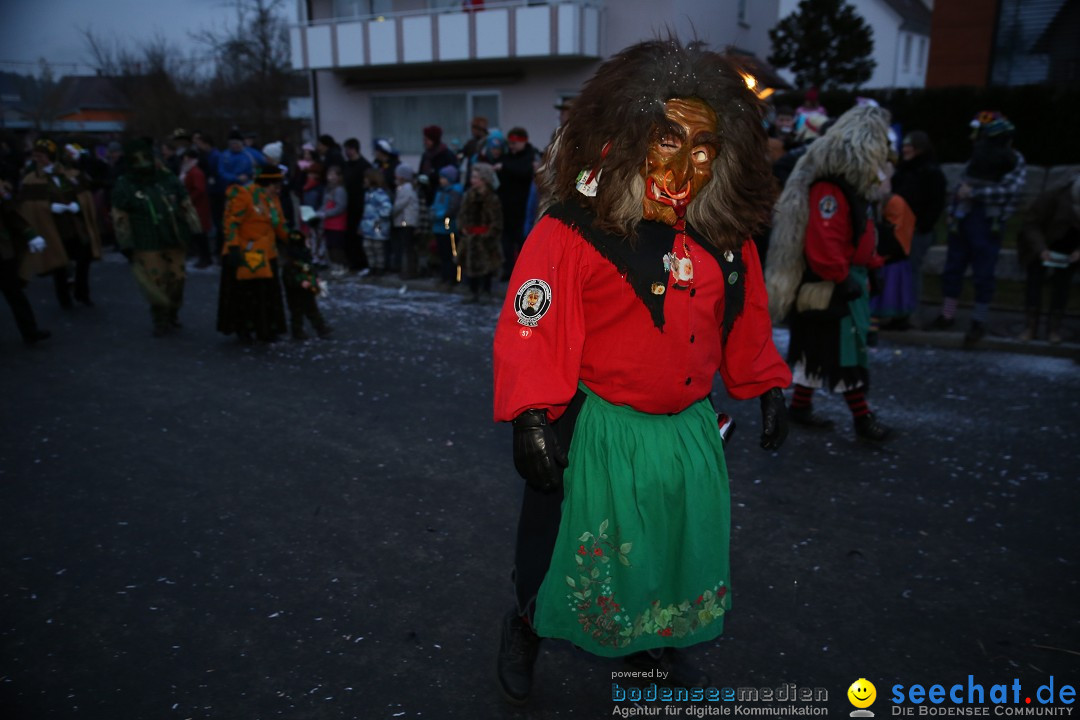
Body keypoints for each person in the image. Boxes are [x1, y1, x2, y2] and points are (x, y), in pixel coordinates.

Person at [492, 39, 790, 704]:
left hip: (685, 433)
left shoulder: (726, 236)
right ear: (628, 139)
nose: (687, 164)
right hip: (597, 429)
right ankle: (525, 627)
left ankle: (651, 648)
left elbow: (746, 318)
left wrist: (767, 386)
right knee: (560, 552)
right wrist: (531, 416)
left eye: (704, 144)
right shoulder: (573, 228)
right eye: (667, 139)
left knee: (667, 550)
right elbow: (529, 323)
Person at [766, 104, 893, 441]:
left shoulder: (845, 188)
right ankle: (863, 419)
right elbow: (824, 242)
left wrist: (873, 265)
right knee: (843, 352)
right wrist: (842, 277)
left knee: (815, 350)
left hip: (841, 280)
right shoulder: (830, 190)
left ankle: (801, 406)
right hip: (830, 284)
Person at [930, 111, 1026, 347]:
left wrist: (974, 193)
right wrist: (953, 214)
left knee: (984, 273)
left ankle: (978, 321)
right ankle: (948, 315)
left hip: (988, 223)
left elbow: (1010, 190)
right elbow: (961, 184)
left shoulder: (1013, 159)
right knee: (953, 268)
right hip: (964, 219)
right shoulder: (976, 158)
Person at [111, 139, 202, 337]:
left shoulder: (167, 179)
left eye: (147, 158)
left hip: (173, 238)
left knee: (177, 279)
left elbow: (185, 203)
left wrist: (195, 229)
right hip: (146, 241)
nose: (143, 163)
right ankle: (160, 319)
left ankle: (173, 312)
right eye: (138, 160)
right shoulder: (125, 184)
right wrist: (126, 243)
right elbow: (120, 216)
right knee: (156, 281)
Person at [18, 138, 102, 309]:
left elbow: (85, 193)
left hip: (75, 225)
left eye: (41, 156)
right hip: (53, 228)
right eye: (35, 156)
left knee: (83, 258)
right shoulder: (31, 179)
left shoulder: (69, 174)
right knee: (59, 264)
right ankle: (64, 299)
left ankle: (82, 293)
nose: (38, 159)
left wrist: (78, 205)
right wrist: (49, 207)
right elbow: (27, 206)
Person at [216, 166, 288, 343]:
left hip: (267, 252)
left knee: (267, 294)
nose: (278, 190)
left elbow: (279, 223)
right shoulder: (244, 194)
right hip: (245, 252)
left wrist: (293, 239)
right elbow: (231, 223)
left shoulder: (273, 199)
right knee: (247, 294)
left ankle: (267, 329)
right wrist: (233, 248)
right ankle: (245, 328)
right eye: (275, 186)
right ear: (265, 183)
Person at [1018, 173, 1080, 344]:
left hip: (1070, 248)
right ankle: (1031, 326)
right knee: (1034, 282)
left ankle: (1054, 328)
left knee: (1062, 286)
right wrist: (1041, 248)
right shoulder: (1052, 196)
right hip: (1043, 243)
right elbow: (1031, 223)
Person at [891, 130, 946, 323]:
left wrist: (922, 226)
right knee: (897, 271)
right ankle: (896, 311)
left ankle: (910, 313)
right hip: (898, 228)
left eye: (909, 145)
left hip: (916, 230)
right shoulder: (903, 170)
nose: (905, 149)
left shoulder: (931, 172)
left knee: (912, 271)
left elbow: (936, 203)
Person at [868, 160, 918, 340]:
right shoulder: (882, 202)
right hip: (887, 254)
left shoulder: (893, 202)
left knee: (880, 296)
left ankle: (875, 330)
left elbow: (897, 233)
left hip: (890, 256)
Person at [0, 179, 50, 345]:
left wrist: (30, 234)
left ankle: (30, 331)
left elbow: (11, 214)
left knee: (15, 293)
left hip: (3, 250)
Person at [495, 127, 538, 281]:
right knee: (506, 242)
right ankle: (508, 271)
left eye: (515, 143)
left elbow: (524, 172)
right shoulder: (506, 157)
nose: (512, 146)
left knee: (522, 241)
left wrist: (505, 168)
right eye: (510, 143)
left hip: (523, 207)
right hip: (506, 207)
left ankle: (522, 272)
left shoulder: (530, 156)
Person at [457, 163, 501, 304]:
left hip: (485, 237)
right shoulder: (468, 196)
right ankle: (473, 291)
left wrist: (489, 234)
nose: (473, 180)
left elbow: (497, 219)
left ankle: (486, 291)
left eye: (476, 177)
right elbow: (462, 214)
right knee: (470, 264)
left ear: (484, 179)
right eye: (472, 177)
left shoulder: (492, 199)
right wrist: (463, 227)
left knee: (486, 266)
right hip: (470, 236)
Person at [280, 229, 331, 340]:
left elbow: (311, 270)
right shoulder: (291, 264)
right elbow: (289, 279)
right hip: (295, 293)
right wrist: (299, 283)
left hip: (307, 290)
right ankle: (298, 332)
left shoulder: (304, 259)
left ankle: (321, 328)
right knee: (297, 314)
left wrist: (315, 279)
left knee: (312, 310)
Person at [180, 148, 214, 268]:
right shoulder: (190, 171)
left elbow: (199, 189)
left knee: (200, 233)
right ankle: (203, 257)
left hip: (198, 207)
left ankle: (205, 258)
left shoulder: (195, 172)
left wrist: (188, 200)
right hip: (195, 206)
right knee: (197, 233)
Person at [430, 165, 463, 289]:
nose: (441, 180)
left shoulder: (455, 191)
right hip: (438, 226)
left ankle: (454, 278)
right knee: (443, 254)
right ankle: (444, 277)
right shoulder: (441, 190)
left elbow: (452, 209)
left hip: (449, 227)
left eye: (443, 178)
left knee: (451, 253)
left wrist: (440, 215)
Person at [342, 138, 372, 271]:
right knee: (350, 235)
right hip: (349, 204)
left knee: (359, 234)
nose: (346, 152)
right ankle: (353, 261)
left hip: (360, 204)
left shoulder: (364, 165)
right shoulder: (347, 165)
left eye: (347, 149)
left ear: (353, 149)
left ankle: (362, 262)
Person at [315, 165, 349, 276]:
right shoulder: (329, 189)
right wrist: (318, 213)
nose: (330, 177)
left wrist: (326, 214)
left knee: (336, 247)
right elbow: (325, 204)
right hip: (328, 223)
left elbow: (340, 207)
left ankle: (342, 266)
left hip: (337, 224)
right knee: (330, 246)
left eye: (333, 175)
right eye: (329, 175)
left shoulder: (340, 190)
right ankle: (335, 266)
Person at [359, 167, 393, 276]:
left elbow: (387, 208)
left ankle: (379, 268)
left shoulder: (380, 194)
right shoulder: (368, 194)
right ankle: (372, 266)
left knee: (378, 248)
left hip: (377, 226)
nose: (364, 180)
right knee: (368, 246)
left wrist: (378, 217)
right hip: (368, 226)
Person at [418, 125, 457, 206]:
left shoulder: (447, 155)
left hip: (441, 195)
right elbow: (421, 171)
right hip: (427, 194)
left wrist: (433, 176)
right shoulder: (426, 155)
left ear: (434, 140)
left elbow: (452, 175)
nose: (425, 142)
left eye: (427, 139)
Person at [391, 165, 418, 276]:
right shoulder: (406, 188)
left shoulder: (405, 189)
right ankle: (407, 269)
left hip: (405, 221)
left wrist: (390, 211)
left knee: (406, 247)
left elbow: (399, 205)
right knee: (406, 247)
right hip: (406, 221)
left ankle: (408, 270)